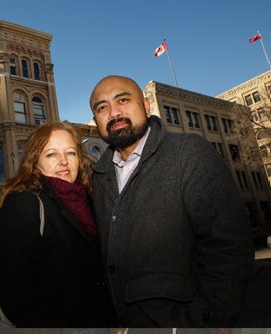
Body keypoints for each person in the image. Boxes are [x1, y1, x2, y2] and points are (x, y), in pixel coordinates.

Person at [88, 75, 254, 328]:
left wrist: (203, 322)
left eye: (123, 100)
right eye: (102, 107)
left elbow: (229, 249)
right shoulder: (98, 178)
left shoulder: (189, 153)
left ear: (146, 106)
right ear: (96, 120)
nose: (114, 113)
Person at [0, 121, 116, 328]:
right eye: (51, 154)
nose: (64, 161)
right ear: (35, 162)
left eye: (71, 153)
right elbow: (13, 291)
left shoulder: (90, 202)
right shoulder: (25, 202)